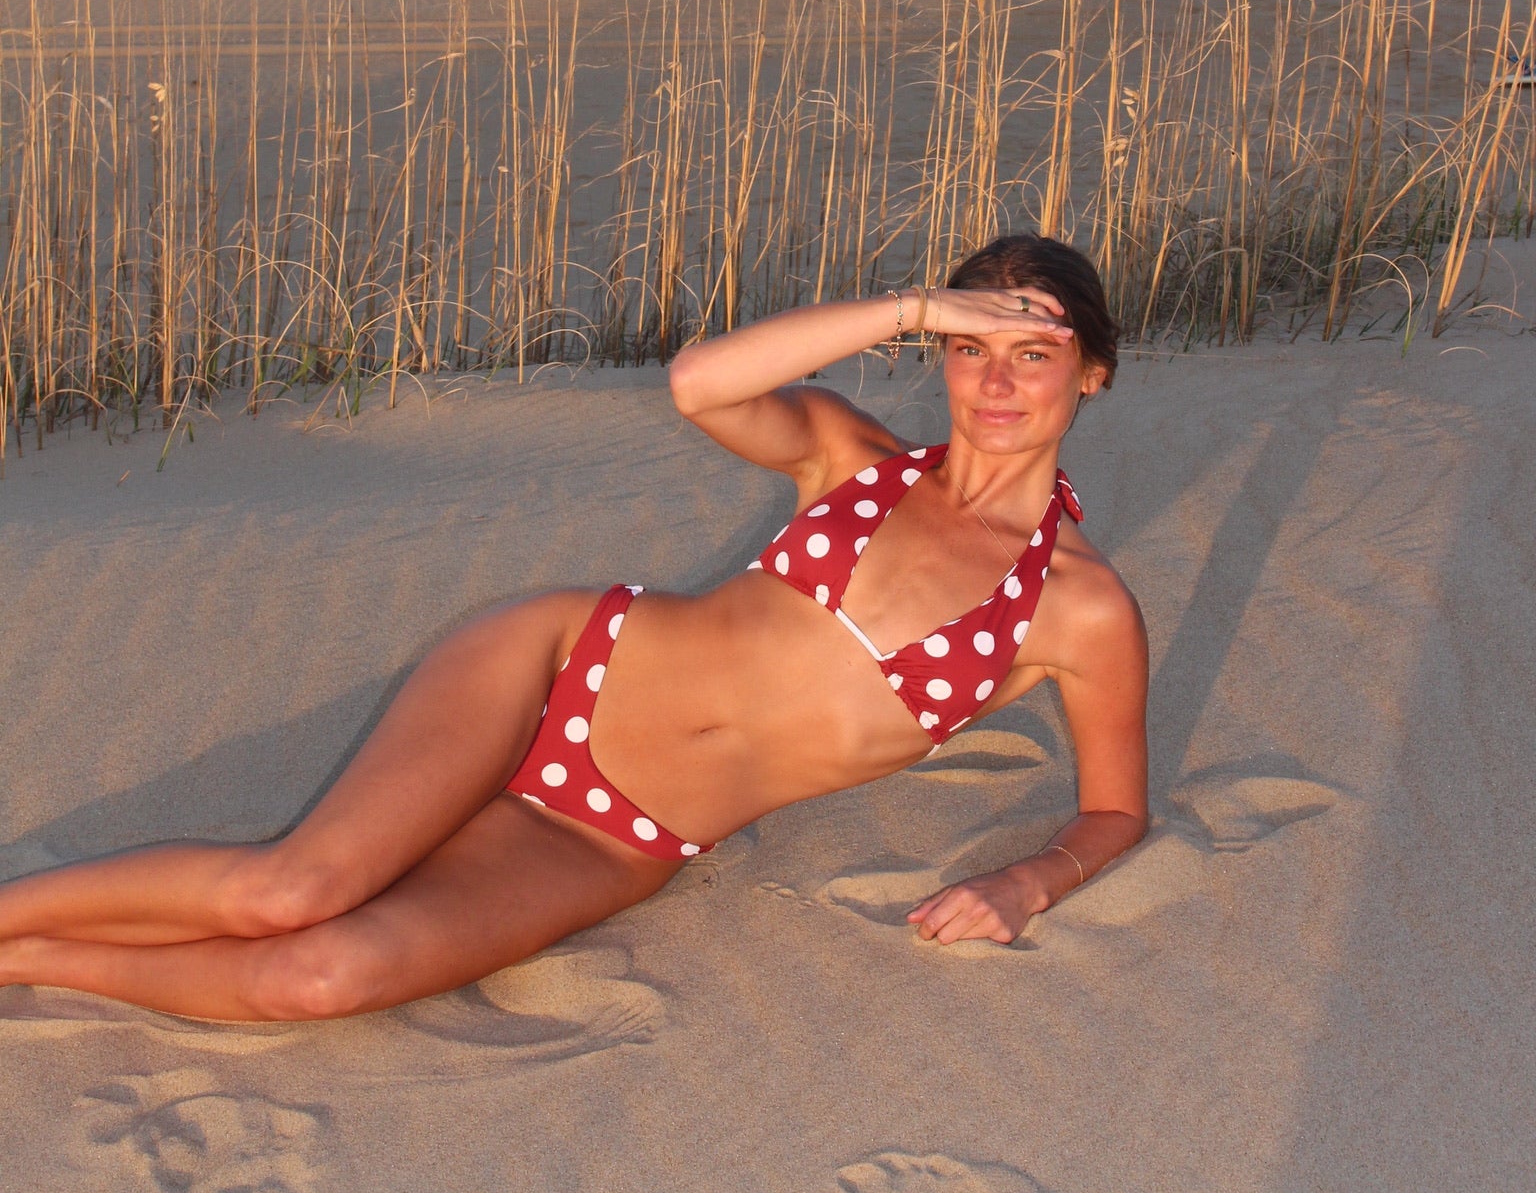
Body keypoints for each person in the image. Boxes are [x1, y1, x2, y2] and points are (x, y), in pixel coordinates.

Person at [0, 233, 1148, 1022]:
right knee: (286, 893)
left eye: (1033, 353)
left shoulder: (1079, 606)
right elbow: (702, 383)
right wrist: (914, 306)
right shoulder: (857, 461)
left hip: (614, 833)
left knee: (321, 977)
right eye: (969, 348)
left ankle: (36, 962)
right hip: (564, 667)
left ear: (1089, 373)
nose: (996, 383)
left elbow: (1113, 810)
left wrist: (1028, 883)